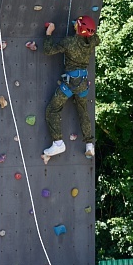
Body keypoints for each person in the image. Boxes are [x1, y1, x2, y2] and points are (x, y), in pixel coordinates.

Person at [41, 16, 98, 159]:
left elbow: (48, 50)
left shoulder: (69, 42)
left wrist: (48, 33)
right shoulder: (92, 41)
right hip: (83, 83)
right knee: (83, 111)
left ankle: (58, 142)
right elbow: (92, 36)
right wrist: (78, 27)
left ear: (78, 28)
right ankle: (89, 144)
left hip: (71, 83)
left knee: (52, 110)